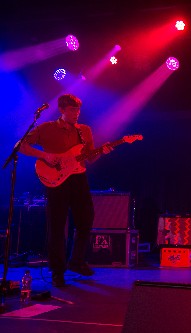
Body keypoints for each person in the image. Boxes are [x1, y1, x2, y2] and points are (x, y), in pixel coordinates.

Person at [19, 94, 112, 287]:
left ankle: (76, 261)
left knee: (86, 220)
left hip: (79, 178)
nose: (76, 113)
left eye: (78, 109)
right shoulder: (46, 128)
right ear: (62, 110)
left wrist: (101, 152)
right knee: (57, 225)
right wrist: (44, 154)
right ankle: (57, 271)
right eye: (72, 110)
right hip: (56, 180)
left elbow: (89, 158)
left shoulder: (84, 130)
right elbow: (22, 146)